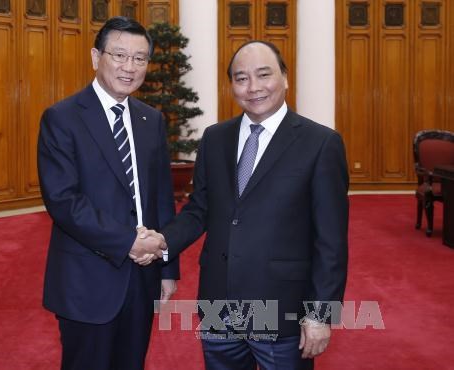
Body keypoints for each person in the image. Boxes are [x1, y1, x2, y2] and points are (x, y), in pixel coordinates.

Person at [137, 40, 349, 369]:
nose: (253, 88)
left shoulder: (321, 144)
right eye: (241, 78)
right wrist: (163, 243)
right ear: (232, 85)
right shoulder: (214, 138)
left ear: (285, 78)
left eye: (263, 75)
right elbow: (199, 209)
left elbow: (331, 241)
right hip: (219, 305)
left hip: (282, 311)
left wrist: (321, 315)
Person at [37, 16, 178, 370]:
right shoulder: (62, 118)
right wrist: (128, 242)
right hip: (88, 281)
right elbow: (64, 201)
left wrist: (166, 268)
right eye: (119, 55)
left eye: (140, 58)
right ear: (96, 57)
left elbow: (162, 198)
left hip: (143, 277)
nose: (129, 67)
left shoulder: (151, 119)